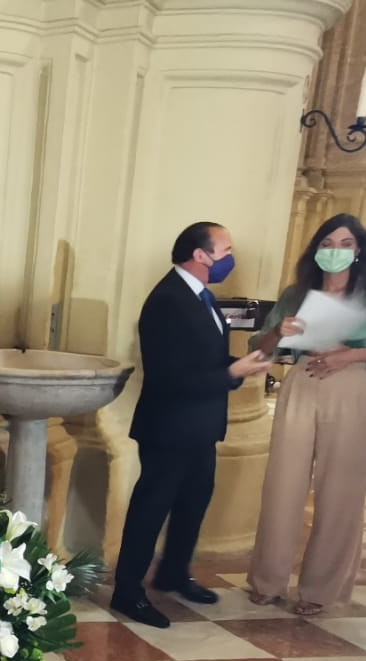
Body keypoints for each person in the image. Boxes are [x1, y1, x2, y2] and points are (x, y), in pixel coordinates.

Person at [246, 214, 366, 617]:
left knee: (340, 489)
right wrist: (280, 333)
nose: (336, 251)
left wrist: (350, 354)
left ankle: (321, 589)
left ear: (358, 250)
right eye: (328, 243)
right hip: (302, 379)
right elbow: (263, 345)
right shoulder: (297, 293)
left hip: (351, 383)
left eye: (345, 244)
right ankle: (267, 580)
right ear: (316, 249)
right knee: (282, 483)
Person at [111, 222, 272, 628]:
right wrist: (232, 371)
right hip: (169, 427)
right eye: (227, 250)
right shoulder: (168, 299)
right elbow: (168, 377)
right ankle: (127, 592)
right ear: (201, 255)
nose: (231, 259)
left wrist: (238, 370)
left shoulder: (201, 296)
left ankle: (173, 574)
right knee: (151, 509)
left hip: (200, 426)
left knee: (193, 502)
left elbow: (207, 362)